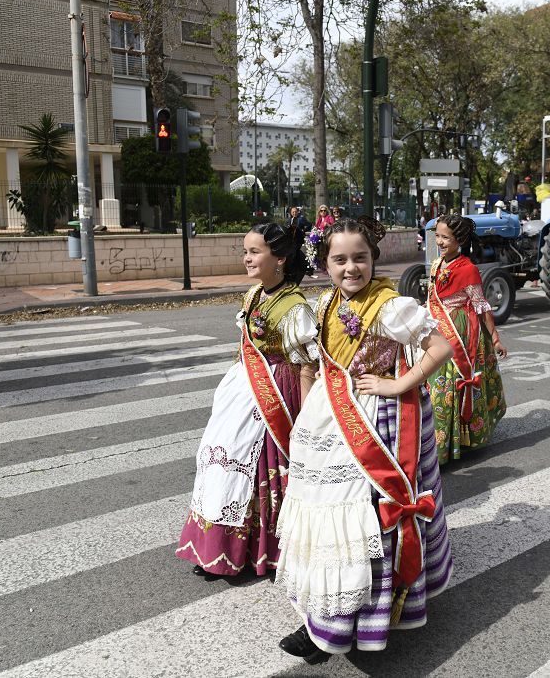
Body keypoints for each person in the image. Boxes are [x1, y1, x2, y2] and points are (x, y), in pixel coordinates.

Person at [275, 217, 454, 663]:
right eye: (340, 259)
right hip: (330, 415)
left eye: (360, 257)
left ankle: (345, 624)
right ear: (325, 263)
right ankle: (326, 613)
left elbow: (441, 348)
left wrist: (397, 385)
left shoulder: (391, 305)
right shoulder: (324, 304)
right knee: (323, 511)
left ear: (374, 257)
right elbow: (314, 363)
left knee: (363, 518)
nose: (351, 267)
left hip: (378, 421)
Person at [175, 223, 317, 579]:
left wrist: (305, 419)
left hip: (275, 392)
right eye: (245, 251)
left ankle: (252, 549)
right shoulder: (254, 295)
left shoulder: (295, 306)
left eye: (255, 252)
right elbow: (246, 347)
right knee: (220, 455)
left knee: (255, 464)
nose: (247, 258)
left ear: (280, 259)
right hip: (245, 385)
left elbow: (306, 366)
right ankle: (216, 546)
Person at [426, 214, 508, 463]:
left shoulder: (468, 268)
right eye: (437, 236)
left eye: (445, 237)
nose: (439, 241)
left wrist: (494, 338)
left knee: (450, 384)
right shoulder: (436, 264)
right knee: (434, 384)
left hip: (461, 330)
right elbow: (431, 297)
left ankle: (461, 439)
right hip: (437, 324)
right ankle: (438, 440)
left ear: (459, 239)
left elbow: (481, 306)